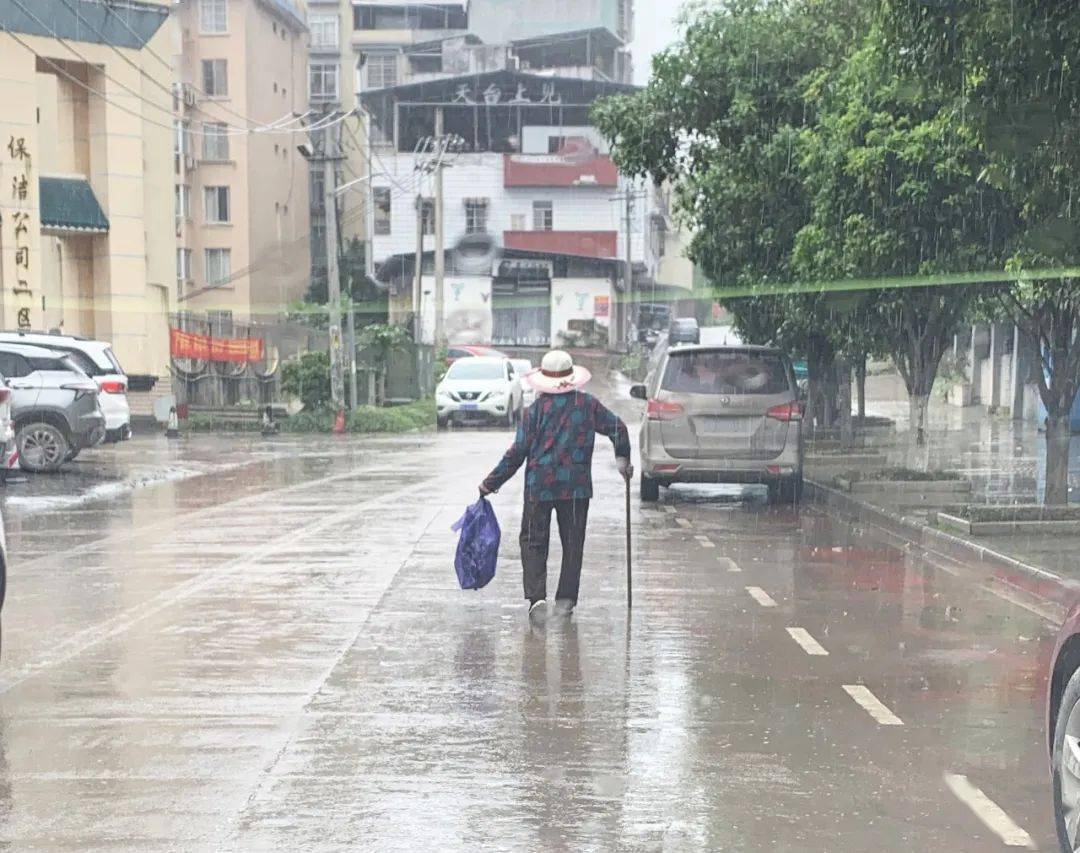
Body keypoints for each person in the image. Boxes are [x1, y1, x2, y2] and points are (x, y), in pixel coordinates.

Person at [479, 350, 632, 624]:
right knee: (573, 543)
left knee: (533, 541)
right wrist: (623, 461)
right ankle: (565, 600)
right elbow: (619, 428)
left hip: (540, 486)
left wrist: (490, 484)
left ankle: (537, 598)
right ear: (571, 378)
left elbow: (517, 452)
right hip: (576, 489)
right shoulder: (587, 405)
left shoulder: (535, 411)